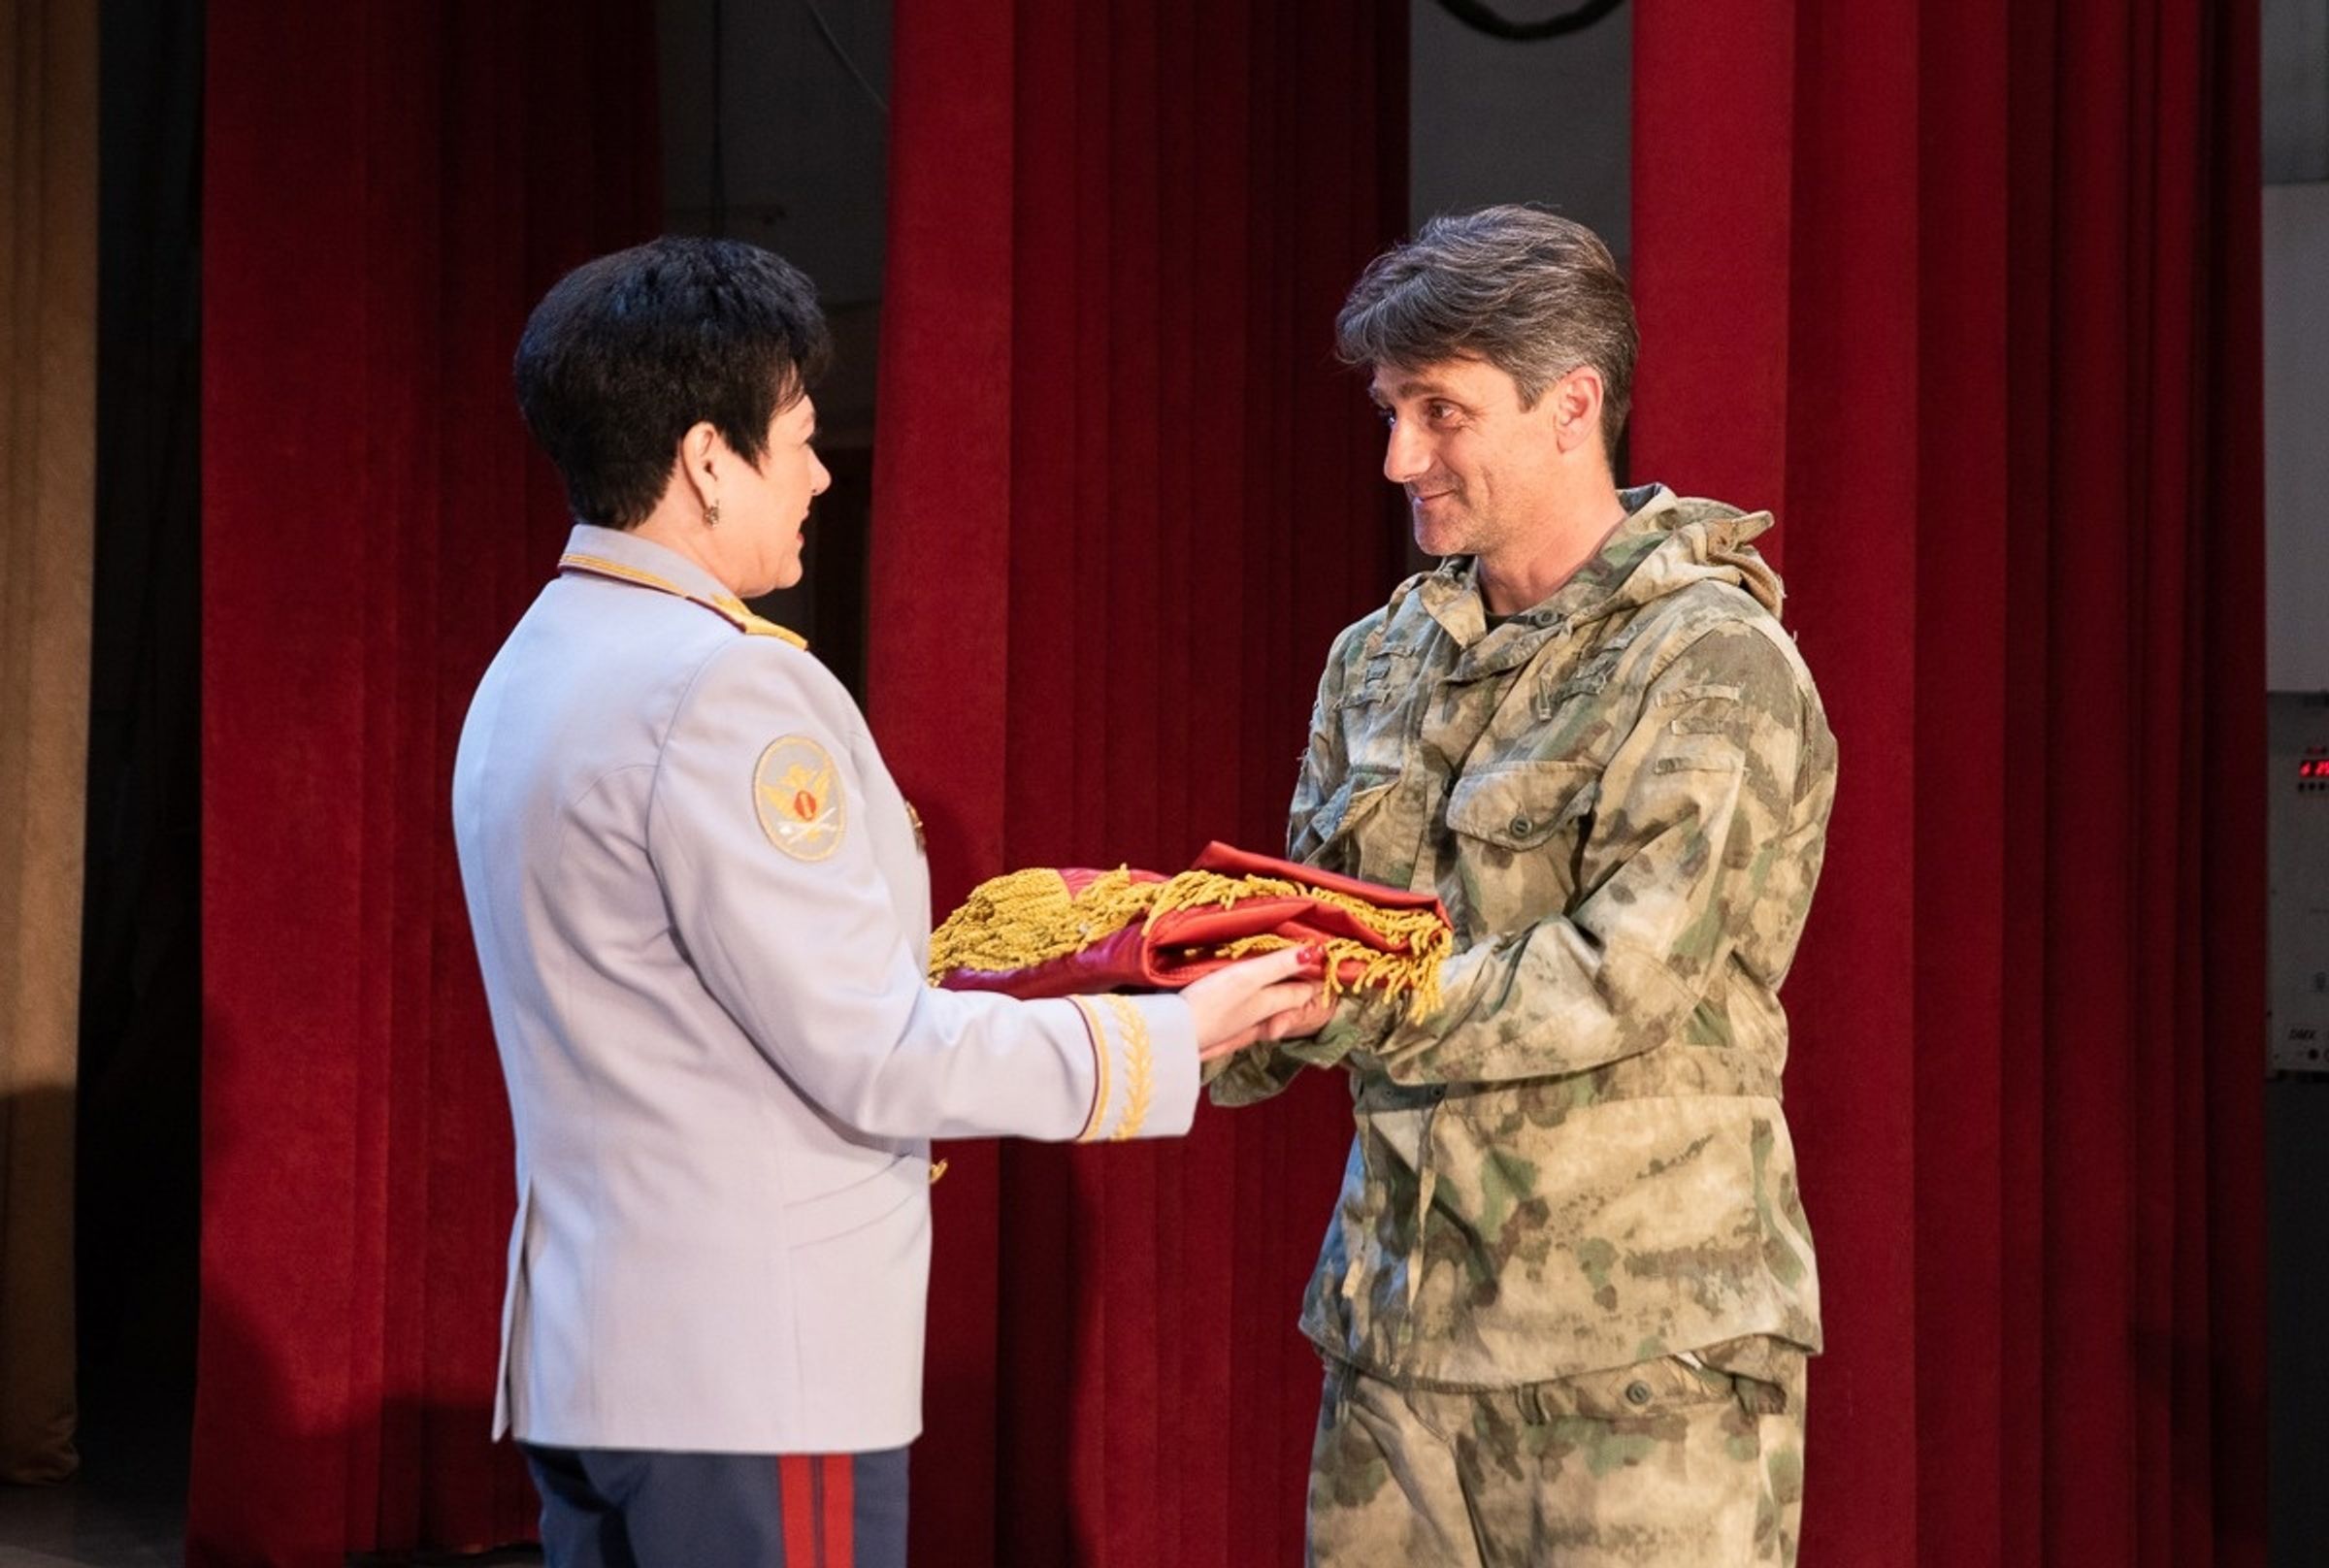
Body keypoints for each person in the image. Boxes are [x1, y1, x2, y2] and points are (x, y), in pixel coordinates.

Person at [451, 236, 1327, 1568]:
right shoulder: (729, 689)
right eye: (797, 438)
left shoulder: (534, 660)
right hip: (752, 1372)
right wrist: (1177, 1035)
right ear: (704, 458)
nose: (817, 472)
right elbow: (868, 1052)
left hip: (600, 1353)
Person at [1209, 206, 1837, 1566]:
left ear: (1572, 406)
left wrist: (1341, 991)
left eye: (1440, 412)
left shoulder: (1709, 662)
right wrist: (1160, 985)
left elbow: (1623, 974)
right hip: (1397, 1342)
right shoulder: (1378, 659)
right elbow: (1309, 923)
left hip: (1635, 1360)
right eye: (1390, 409)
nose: (1397, 457)